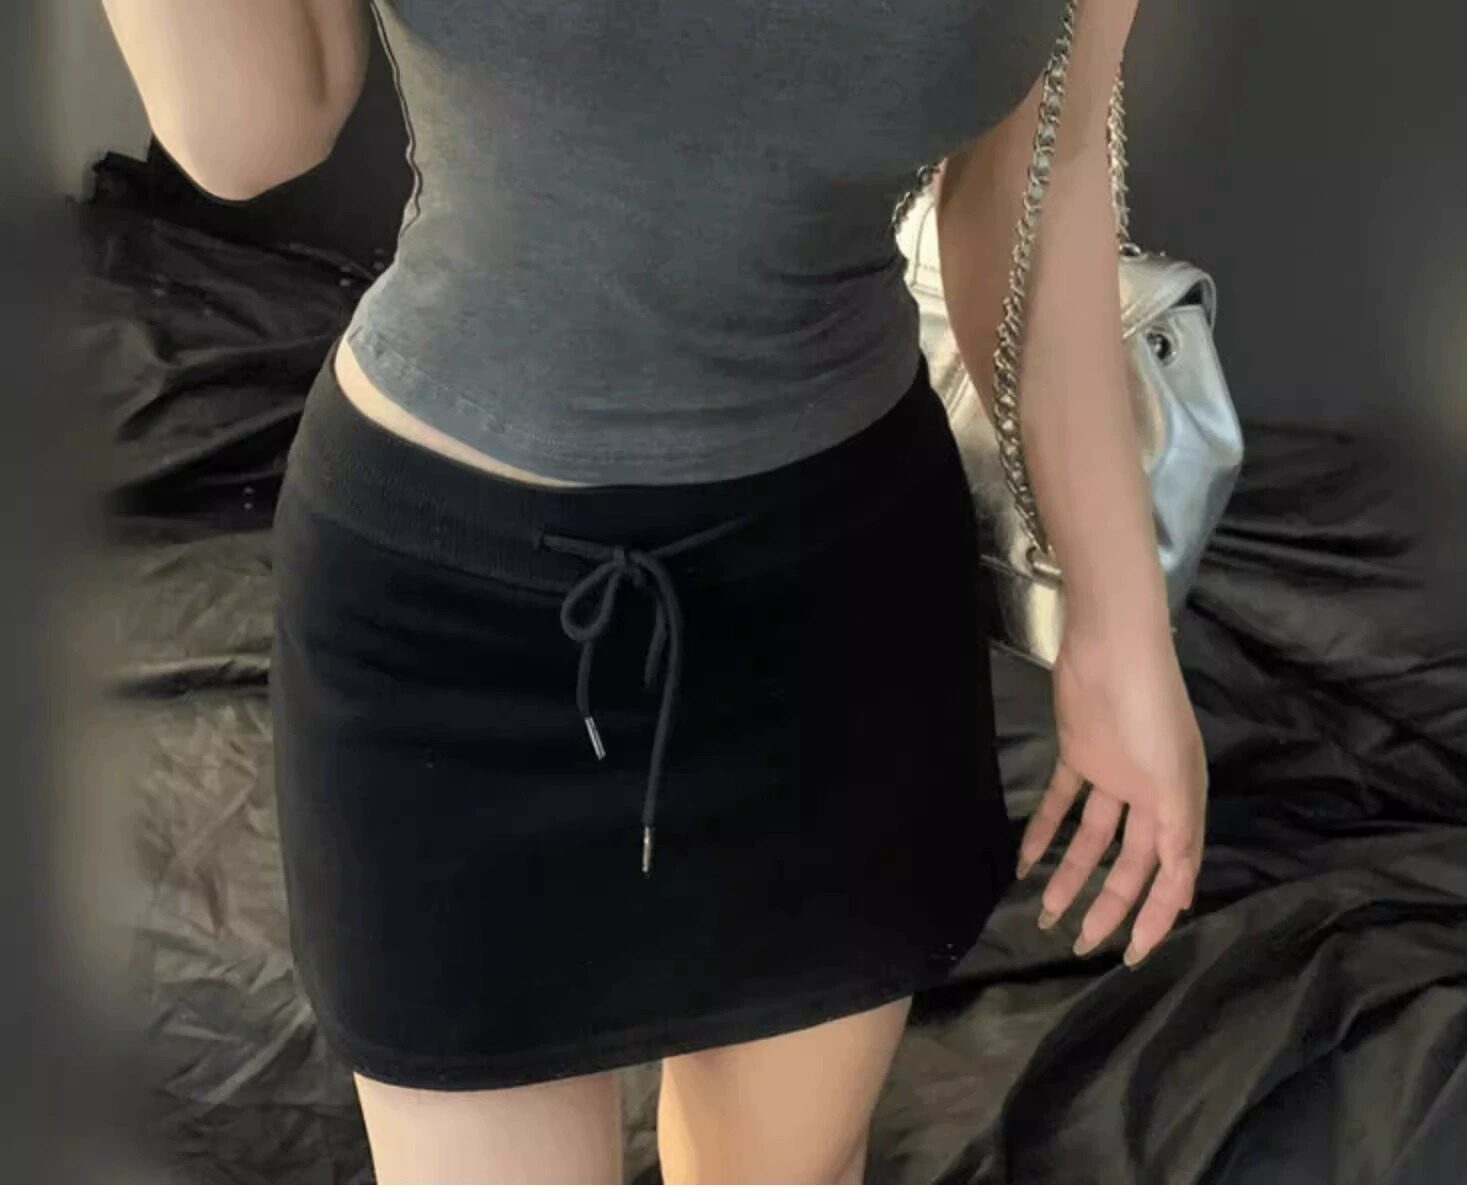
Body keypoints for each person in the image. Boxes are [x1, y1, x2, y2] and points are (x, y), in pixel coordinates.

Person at [105, 0, 1207, 1181]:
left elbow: (1042, 177)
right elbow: (248, 134)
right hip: (447, 624)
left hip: (835, 606)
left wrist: (1120, 623)